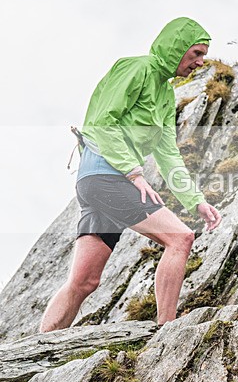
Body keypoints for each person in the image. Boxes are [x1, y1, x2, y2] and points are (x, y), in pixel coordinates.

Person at [40, 17, 222, 332]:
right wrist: (134, 173)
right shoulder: (136, 68)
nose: (200, 62)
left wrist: (196, 202)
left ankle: (39, 350)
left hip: (102, 183)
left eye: (203, 55)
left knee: (84, 282)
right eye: (195, 53)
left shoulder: (166, 96)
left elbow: (167, 154)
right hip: (104, 177)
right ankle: (167, 330)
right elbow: (102, 122)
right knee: (180, 238)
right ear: (176, 47)